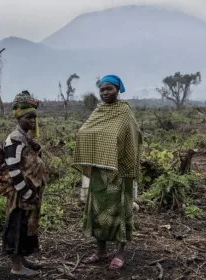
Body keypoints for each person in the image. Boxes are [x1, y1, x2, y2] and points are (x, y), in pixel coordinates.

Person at [72, 75, 142, 270]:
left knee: (120, 210)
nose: (104, 93)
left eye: (109, 89)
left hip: (120, 171)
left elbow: (133, 136)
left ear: (118, 89)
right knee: (98, 210)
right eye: (102, 90)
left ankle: (120, 252)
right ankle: (101, 251)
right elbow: (83, 132)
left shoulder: (124, 112)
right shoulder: (98, 111)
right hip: (99, 171)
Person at [2, 90, 47, 278]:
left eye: (34, 118)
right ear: (19, 117)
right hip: (20, 194)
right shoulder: (14, 139)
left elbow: (29, 162)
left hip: (28, 191)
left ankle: (23, 260)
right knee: (17, 227)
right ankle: (16, 266)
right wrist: (28, 193)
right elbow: (13, 171)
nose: (32, 121)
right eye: (28, 117)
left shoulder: (25, 138)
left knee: (27, 225)